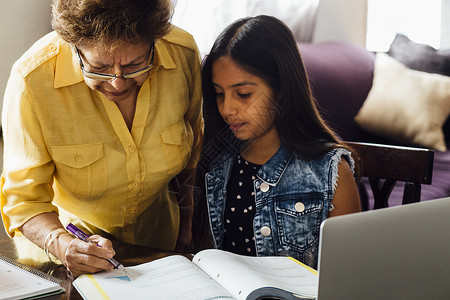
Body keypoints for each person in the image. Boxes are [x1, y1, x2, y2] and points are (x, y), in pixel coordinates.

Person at [1, 0, 202, 277]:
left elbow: (193, 154)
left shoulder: (183, 54)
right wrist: (64, 245)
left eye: (135, 64)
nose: (118, 82)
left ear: (155, 42)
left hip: (158, 248)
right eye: (99, 67)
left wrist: (187, 224)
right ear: (75, 47)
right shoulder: (32, 81)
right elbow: (24, 202)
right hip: (66, 255)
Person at [196, 15, 361, 269]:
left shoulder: (331, 172)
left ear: (281, 87)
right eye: (219, 94)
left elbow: (348, 277)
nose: (227, 109)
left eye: (243, 94)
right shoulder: (215, 163)